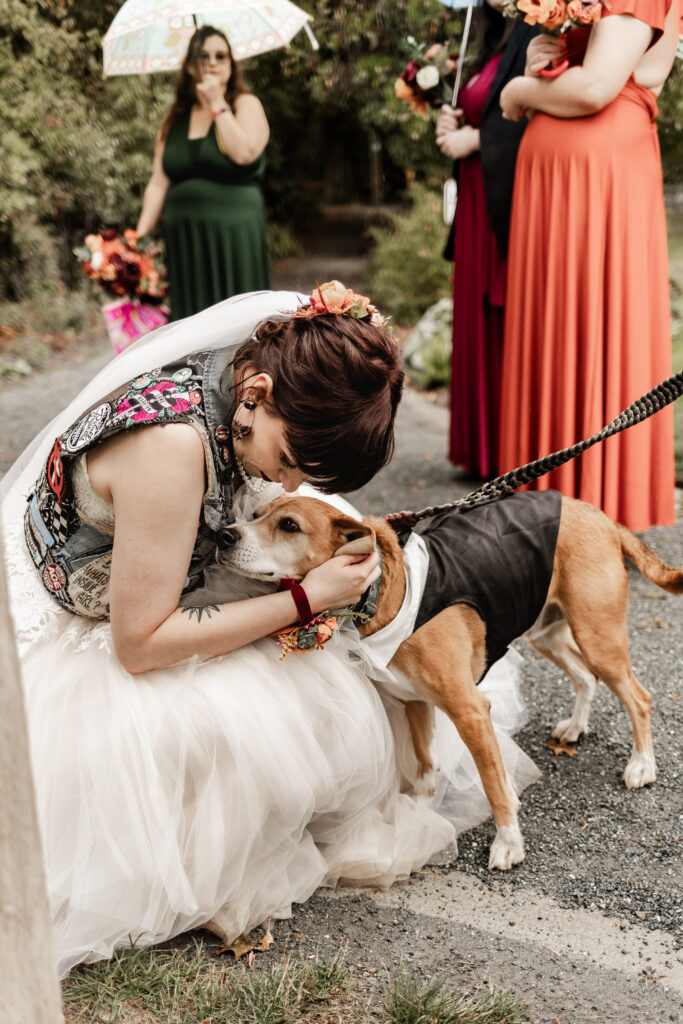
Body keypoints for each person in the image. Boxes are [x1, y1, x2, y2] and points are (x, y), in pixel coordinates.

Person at [2, 285, 539, 978]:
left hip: (182, 560)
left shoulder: (270, 364)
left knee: (346, 668)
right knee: (229, 723)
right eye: (288, 464)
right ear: (255, 393)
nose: (284, 480)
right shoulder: (169, 447)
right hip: (106, 618)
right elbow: (140, 645)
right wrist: (303, 598)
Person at [498, 0, 680, 531]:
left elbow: (598, 88)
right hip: (573, 174)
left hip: (590, 174)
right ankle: (555, 501)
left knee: (590, 324)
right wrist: (546, 59)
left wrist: (519, 91)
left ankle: (586, 505)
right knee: (559, 331)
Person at [435, 3, 538, 481]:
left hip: (505, 198)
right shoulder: (492, 39)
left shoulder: (538, 31)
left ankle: (509, 448)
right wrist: (452, 127)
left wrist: (476, 140)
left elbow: (530, 115)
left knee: (503, 316)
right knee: (476, 316)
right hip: (476, 198)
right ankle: (481, 447)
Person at [136, 26, 271, 320]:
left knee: (239, 320)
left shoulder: (245, 104)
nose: (212, 62)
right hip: (186, 239)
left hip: (234, 233)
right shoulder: (174, 118)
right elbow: (158, 183)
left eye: (220, 56)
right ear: (188, 66)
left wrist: (217, 104)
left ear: (231, 64)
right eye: (203, 56)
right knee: (192, 322)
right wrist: (138, 240)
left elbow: (244, 153)